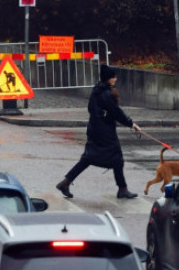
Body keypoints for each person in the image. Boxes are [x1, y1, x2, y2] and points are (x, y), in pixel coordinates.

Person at [57, 65, 141, 199]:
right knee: (117, 158)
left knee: (88, 158)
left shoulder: (96, 91)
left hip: (94, 129)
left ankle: (65, 182)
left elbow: (91, 109)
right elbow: (117, 112)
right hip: (105, 132)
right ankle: (122, 189)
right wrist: (131, 124)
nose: (115, 79)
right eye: (113, 77)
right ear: (108, 78)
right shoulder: (107, 94)